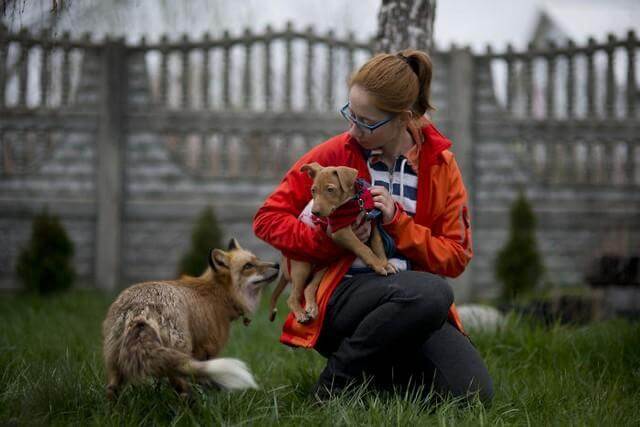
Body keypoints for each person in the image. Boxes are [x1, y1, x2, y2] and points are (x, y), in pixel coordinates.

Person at [253, 49, 493, 405]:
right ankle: (333, 387)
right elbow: (267, 219)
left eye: (366, 122)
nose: (353, 129)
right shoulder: (337, 155)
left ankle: (377, 379)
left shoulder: (440, 166)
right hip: (342, 297)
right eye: (351, 114)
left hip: (411, 302)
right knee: (432, 293)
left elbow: (455, 258)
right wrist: (332, 240)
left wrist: (399, 223)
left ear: (404, 118)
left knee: (471, 395)